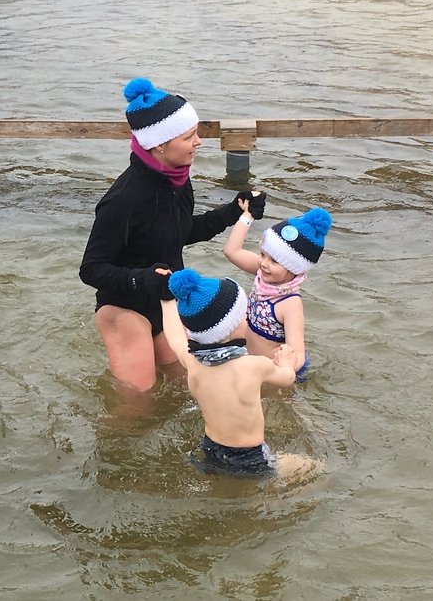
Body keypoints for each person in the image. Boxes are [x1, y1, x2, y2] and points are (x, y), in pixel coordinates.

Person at [79, 77, 266, 391]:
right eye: (189, 136)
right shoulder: (122, 201)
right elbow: (91, 269)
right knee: (139, 401)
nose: (198, 142)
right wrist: (142, 279)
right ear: (160, 144)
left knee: (187, 386)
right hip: (125, 308)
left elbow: (177, 232)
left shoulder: (178, 181)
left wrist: (233, 210)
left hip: (166, 299)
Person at [161, 268, 321, 480]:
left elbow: (175, 338)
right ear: (233, 326)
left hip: (210, 451)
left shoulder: (193, 364)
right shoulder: (254, 366)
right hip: (250, 458)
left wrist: (165, 299)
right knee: (316, 469)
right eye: (244, 316)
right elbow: (287, 378)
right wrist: (286, 362)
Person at [222, 202, 333, 382]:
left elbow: (297, 353)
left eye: (274, 261)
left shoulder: (289, 303)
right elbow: (231, 251)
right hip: (250, 360)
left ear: (294, 267)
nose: (264, 263)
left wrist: (280, 374)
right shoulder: (263, 273)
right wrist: (248, 216)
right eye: (262, 254)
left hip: (272, 371)